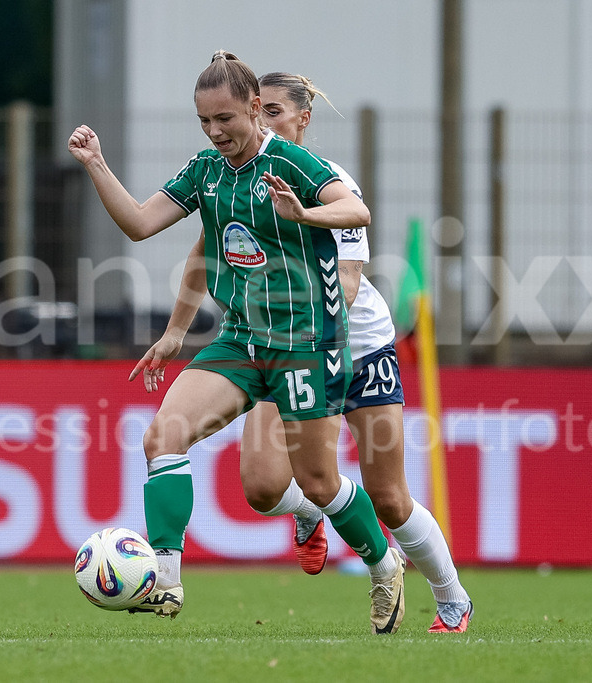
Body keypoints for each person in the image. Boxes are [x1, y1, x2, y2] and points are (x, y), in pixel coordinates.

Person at [69, 51, 407, 635]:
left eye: (225, 118)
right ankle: (164, 581)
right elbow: (140, 223)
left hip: (304, 341)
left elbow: (358, 209)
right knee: (163, 435)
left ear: (254, 108)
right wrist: (96, 163)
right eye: (205, 121)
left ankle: (383, 565)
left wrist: (305, 213)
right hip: (242, 337)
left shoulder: (290, 161)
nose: (215, 132)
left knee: (319, 482)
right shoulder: (205, 170)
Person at [136, 72, 473, 634]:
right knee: (264, 488)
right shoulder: (235, 177)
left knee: (389, 497)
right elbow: (205, 250)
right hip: (278, 342)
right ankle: (311, 509)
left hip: (351, 347)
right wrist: (182, 328)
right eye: (257, 112)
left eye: (273, 112)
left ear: (302, 119)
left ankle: (450, 597)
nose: (261, 124)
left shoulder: (323, 182)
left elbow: (346, 280)